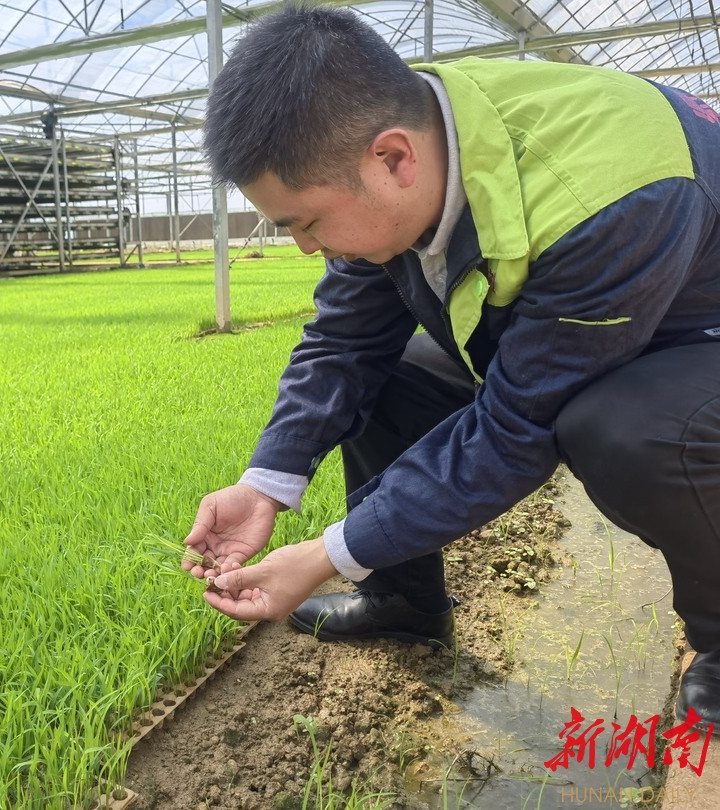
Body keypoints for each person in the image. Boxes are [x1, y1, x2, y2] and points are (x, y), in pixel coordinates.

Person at [182, 3, 720, 726]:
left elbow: (516, 427)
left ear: (394, 158)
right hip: (603, 307)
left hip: (697, 331)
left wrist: (327, 554)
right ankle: (404, 601)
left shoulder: (610, 191)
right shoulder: (409, 143)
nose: (306, 247)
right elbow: (345, 343)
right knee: (391, 374)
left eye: (306, 223)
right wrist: (266, 484)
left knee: (625, 426)